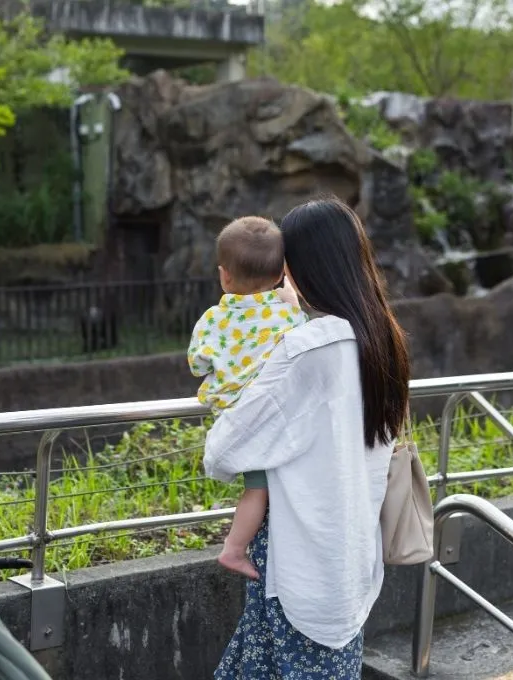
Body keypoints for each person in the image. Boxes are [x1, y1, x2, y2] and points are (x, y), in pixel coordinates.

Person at [203, 198, 411, 679]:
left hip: (297, 566)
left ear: (298, 266)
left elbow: (224, 452)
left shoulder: (308, 348)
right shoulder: (383, 339)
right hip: (350, 565)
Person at [187, 216, 309, 580]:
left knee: (257, 486)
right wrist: (294, 303)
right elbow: (302, 347)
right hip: (271, 417)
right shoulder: (289, 315)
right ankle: (235, 548)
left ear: (225, 276)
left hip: (234, 417)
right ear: (280, 275)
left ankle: (235, 548)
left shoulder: (213, 319)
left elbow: (197, 363)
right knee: (263, 489)